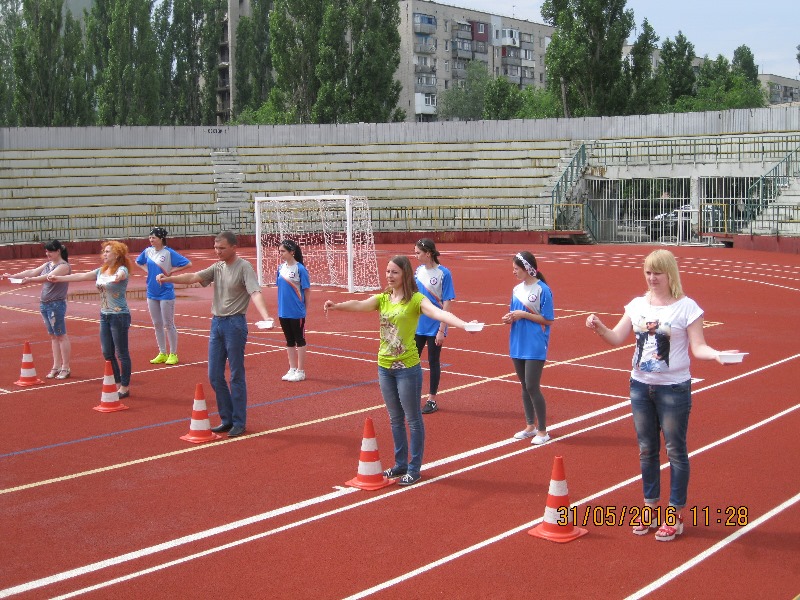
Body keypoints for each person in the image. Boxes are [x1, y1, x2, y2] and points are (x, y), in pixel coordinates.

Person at [586, 249, 731, 542]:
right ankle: (650, 508)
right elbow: (616, 337)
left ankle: (674, 514)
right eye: (648, 272)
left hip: (673, 388)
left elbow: (698, 347)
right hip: (640, 386)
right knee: (647, 450)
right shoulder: (637, 305)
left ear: (670, 274)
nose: (652, 278)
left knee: (675, 451)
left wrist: (716, 355)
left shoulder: (688, 308)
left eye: (658, 273)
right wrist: (600, 327)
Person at [323, 255, 478, 486]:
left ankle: (414, 468)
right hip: (384, 367)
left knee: (413, 419)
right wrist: (337, 306)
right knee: (395, 419)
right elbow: (360, 304)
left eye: (394, 272)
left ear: (405, 274)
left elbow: (439, 313)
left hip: (407, 368)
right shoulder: (384, 298)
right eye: (387, 271)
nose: (389, 276)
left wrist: (464, 325)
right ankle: (400, 464)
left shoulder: (416, 300)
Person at [157, 231, 272, 438]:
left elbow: (255, 292)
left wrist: (266, 316)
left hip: (235, 324)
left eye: (222, 248)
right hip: (217, 323)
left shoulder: (244, 267)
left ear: (234, 247)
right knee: (214, 375)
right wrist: (169, 279)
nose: (217, 251)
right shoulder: (217, 267)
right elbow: (194, 277)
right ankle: (227, 419)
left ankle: (239, 421)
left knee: (236, 375)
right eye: (216, 248)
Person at [48, 241, 133, 397]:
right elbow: (82, 276)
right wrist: (59, 278)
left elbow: (121, 275)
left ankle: (125, 387)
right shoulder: (101, 270)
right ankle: (117, 382)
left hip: (119, 315)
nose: (104, 254)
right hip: (104, 315)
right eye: (104, 251)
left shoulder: (122, 269)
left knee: (121, 353)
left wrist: (116, 278)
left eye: (108, 251)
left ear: (117, 255)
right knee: (107, 352)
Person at [503, 251, 554, 446]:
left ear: (527, 269)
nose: (514, 272)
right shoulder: (516, 289)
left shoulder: (543, 290)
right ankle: (530, 426)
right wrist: (509, 318)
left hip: (535, 343)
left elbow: (548, 319)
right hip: (517, 341)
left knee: (532, 385)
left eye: (516, 268)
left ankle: (543, 430)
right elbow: (513, 312)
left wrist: (523, 315)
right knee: (524, 385)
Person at [2, 240, 73, 379]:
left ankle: (65, 367)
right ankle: (56, 366)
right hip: (45, 304)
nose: (48, 254)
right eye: (46, 251)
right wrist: (13, 275)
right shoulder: (48, 264)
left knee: (61, 335)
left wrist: (30, 280)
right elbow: (33, 271)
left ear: (58, 251)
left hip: (56, 304)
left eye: (50, 251)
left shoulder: (63, 266)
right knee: (53, 336)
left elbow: (47, 278)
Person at [135, 227, 192, 366]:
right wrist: (147, 271)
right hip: (151, 291)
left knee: (168, 323)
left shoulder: (168, 253)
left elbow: (188, 264)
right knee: (157, 324)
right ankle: (162, 352)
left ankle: (173, 353)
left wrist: (170, 271)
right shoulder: (147, 251)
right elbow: (138, 262)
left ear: (161, 239)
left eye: (154, 237)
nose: (151, 240)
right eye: (150, 237)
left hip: (165, 292)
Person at [413, 238, 456, 414]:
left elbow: (447, 303)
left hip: (435, 326)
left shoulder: (444, 273)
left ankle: (431, 399)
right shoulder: (418, 271)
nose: (416, 256)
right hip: (418, 324)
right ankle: (412, 395)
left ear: (428, 253)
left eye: (418, 253)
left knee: (433, 361)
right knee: (412, 360)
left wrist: (441, 329)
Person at [276, 239, 311, 382]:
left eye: (283, 251)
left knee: (299, 340)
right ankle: (292, 368)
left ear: (292, 252)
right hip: (283, 311)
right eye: (279, 251)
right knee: (289, 341)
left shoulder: (300, 269)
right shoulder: (280, 268)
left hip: (296, 311)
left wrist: (304, 309)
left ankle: (301, 371)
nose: (280, 254)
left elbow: (306, 291)